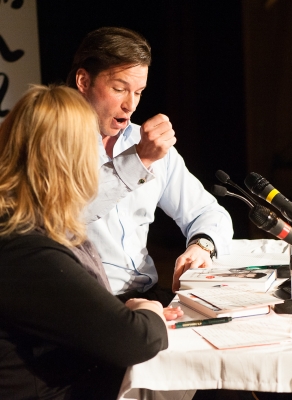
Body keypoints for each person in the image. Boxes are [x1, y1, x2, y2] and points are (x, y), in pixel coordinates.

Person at [0, 84, 170, 399]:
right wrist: (149, 310)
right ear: (69, 160)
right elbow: (136, 340)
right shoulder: (25, 246)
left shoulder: (25, 225)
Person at [66, 26, 234, 302]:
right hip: (85, 304)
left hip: (147, 295)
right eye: (119, 89)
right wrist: (139, 161)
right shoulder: (52, 142)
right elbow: (61, 218)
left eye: (139, 92)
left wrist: (202, 245)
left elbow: (207, 212)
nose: (130, 105)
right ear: (83, 81)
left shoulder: (143, 141)